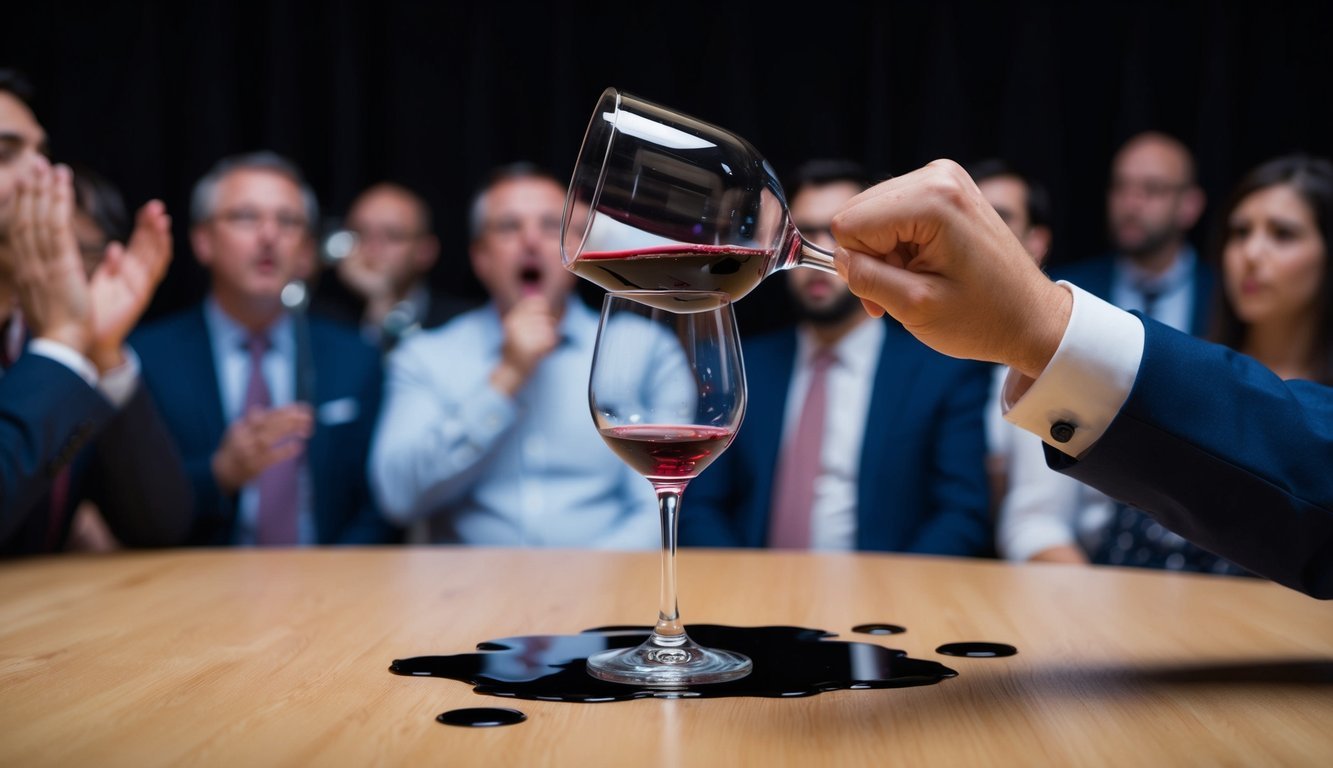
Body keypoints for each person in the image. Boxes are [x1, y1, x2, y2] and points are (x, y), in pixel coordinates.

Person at [830, 158, 1333, 599]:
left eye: (1283, 234)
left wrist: (1039, 323)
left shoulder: (1189, 365)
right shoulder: (1196, 356)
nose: (1252, 253)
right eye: (1240, 232)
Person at [681, 159, 993, 556]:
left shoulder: (941, 371)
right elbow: (701, 506)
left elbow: (961, 516)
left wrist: (886, 600)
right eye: (802, 232)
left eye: (838, 234)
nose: (815, 253)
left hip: (887, 603)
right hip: (753, 599)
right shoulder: (740, 363)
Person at [369, 162, 658, 547]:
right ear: (480, 258)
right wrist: (507, 375)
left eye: (549, 225)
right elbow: (398, 498)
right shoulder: (424, 356)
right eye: (509, 227)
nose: (531, 241)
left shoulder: (644, 349)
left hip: (607, 591)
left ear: (576, 248)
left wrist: (586, 588)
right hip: (463, 598)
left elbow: (658, 507)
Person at [130, 151, 398, 546]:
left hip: (333, 588)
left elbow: (381, 504)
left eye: (287, 221)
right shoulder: (147, 358)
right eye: (245, 217)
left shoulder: (354, 357)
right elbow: (130, 509)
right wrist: (219, 474)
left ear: (306, 252)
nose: (269, 236)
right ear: (203, 241)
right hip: (193, 587)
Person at [1, 69, 190, 554]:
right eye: (5, 154)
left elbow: (159, 525)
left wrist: (101, 349)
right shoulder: (50, 347)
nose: (43, 175)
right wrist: (63, 342)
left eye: (41, 154)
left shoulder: (34, 341)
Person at [1054, 131, 1212, 336]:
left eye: (1152, 188)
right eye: (1120, 186)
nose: (1130, 203)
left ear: (1190, 205)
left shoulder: (1222, 296)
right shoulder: (1068, 291)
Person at [968, 158, 1054, 519]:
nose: (980, 231)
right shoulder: (915, 347)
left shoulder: (1063, 349)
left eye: (1000, 218)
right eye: (970, 216)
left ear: (1037, 241)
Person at [311, 181, 475, 350]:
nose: (372, 247)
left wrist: (382, 301)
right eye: (359, 232)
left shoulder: (462, 323)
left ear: (426, 251)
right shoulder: (317, 318)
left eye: (392, 235)